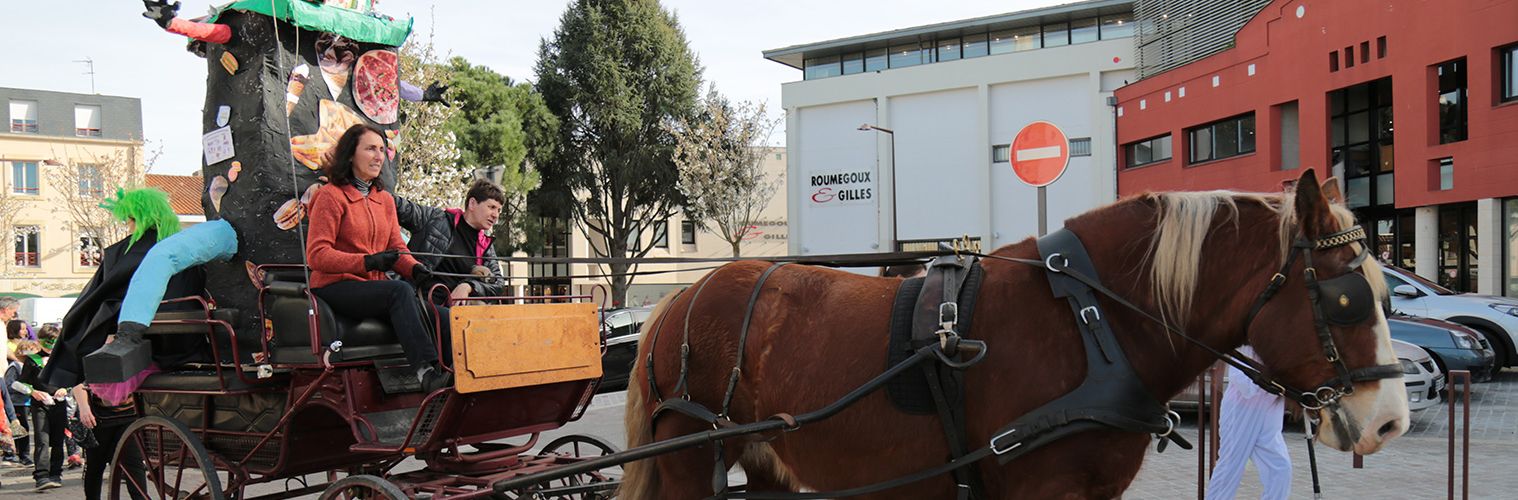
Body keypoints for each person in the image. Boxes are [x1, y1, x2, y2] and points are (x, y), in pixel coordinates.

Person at [306, 124, 449, 392]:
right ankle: (425, 373)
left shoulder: (384, 200)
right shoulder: (330, 196)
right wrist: (367, 262)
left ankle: (454, 380)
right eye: (371, 148)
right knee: (399, 290)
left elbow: (397, 247)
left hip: (372, 288)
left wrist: (415, 269)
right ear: (350, 155)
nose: (379, 156)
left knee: (442, 315)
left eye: (382, 150)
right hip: (335, 286)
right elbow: (317, 255)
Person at [44, 188, 209, 402]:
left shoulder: (130, 252)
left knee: (79, 320)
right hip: (190, 341)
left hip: (151, 342)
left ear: (135, 218)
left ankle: (64, 372)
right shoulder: (185, 248)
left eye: (128, 221)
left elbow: (102, 292)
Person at [394, 179, 507, 303]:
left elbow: (498, 284)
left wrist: (469, 286)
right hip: (418, 302)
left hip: (455, 310)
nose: (496, 215)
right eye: (491, 207)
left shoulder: (485, 246)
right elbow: (397, 205)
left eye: (499, 210)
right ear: (472, 203)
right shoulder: (435, 219)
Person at [1206, 345, 1291, 500]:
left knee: (1280, 467)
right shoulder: (1249, 342)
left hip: (1270, 407)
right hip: (1241, 408)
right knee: (1230, 467)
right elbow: (1243, 383)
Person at [73, 373, 145, 500]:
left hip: (130, 416)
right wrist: (84, 408)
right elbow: (78, 380)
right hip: (98, 419)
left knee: (134, 465)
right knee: (95, 465)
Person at [15, 335, 65, 491]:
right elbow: (20, 383)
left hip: (59, 405)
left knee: (58, 441)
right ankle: (42, 476)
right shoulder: (33, 360)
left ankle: (56, 473)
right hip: (40, 406)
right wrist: (33, 392)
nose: (51, 347)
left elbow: (72, 381)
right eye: (48, 343)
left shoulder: (63, 359)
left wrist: (65, 389)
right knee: (42, 440)